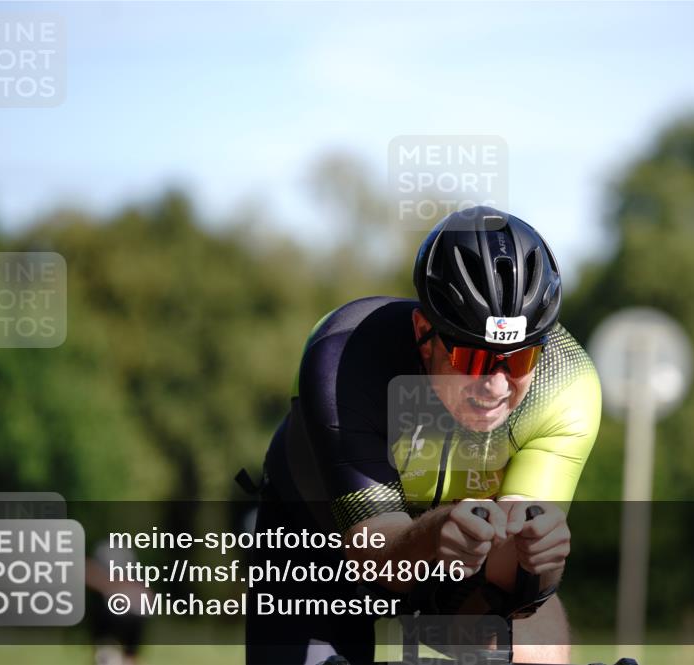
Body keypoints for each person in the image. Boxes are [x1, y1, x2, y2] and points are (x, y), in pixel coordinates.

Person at [245, 206, 602, 665]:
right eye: (473, 360)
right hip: (323, 544)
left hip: (459, 554)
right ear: (424, 333)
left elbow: (513, 578)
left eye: (517, 362)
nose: (495, 386)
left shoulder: (566, 384)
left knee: (539, 646)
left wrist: (541, 560)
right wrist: (439, 529)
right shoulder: (346, 355)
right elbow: (374, 553)